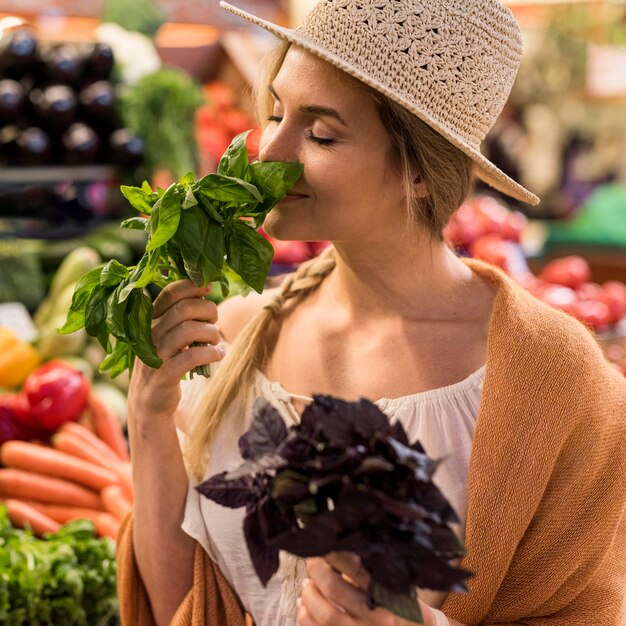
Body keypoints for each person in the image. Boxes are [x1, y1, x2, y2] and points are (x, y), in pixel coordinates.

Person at [117, 1, 626, 625]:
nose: (268, 151)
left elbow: (580, 609)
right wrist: (148, 417)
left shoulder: (556, 380)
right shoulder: (237, 336)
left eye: (322, 133)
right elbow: (181, 610)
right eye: (275, 111)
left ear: (418, 169)